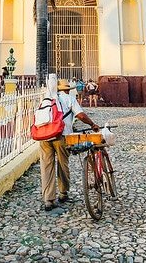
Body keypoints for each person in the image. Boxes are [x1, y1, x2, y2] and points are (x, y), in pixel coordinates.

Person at [39, 76, 100, 212]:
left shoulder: (46, 98)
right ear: (67, 90)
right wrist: (92, 124)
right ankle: (62, 193)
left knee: (46, 167)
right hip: (61, 136)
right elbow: (81, 116)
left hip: (44, 136)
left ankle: (48, 200)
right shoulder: (69, 98)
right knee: (62, 164)